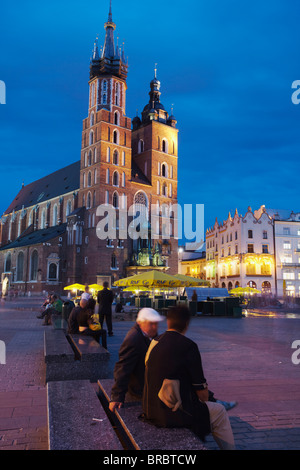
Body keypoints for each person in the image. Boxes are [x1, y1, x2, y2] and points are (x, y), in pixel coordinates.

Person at [142, 305, 235, 450]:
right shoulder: (189, 346)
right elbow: (203, 395)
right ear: (186, 324)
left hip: (150, 409)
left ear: (168, 322)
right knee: (220, 412)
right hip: (173, 414)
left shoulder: (154, 342)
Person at [109, 308, 164, 412]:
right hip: (139, 389)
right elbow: (123, 367)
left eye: (156, 324)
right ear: (140, 322)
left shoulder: (147, 334)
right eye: (151, 324)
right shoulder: (133, 339)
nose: (155, 327)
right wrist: (117, 396)